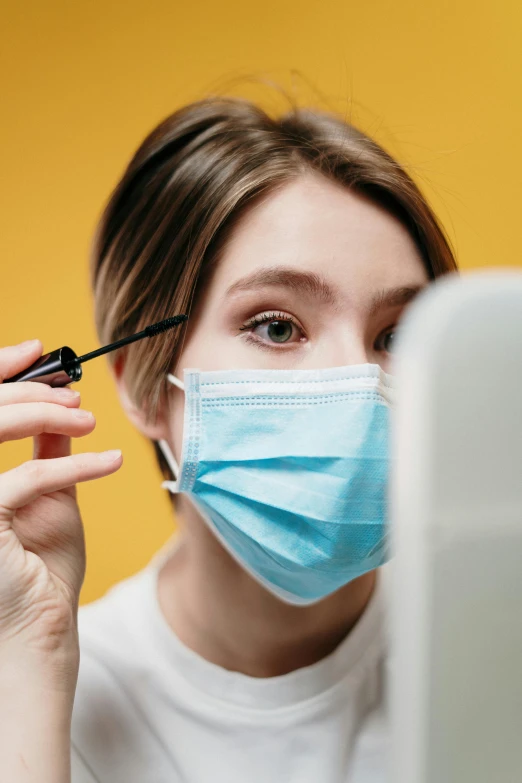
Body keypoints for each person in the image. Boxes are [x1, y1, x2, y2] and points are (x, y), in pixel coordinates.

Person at [0, 96, 457, 783]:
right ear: (146, 384)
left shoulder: (492, 653)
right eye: (277, 325)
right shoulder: (47, 692)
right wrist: (28, 660)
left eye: (395, 336)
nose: (358, 384)